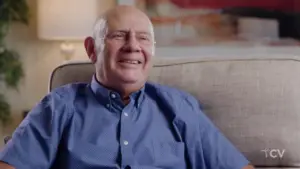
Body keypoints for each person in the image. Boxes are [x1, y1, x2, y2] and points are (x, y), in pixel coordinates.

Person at [0, 5, 255, 169]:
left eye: (143, 38)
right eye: (118, 35)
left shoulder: (179, 107)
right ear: (92, 49)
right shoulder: (58, 107)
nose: (133, 45)